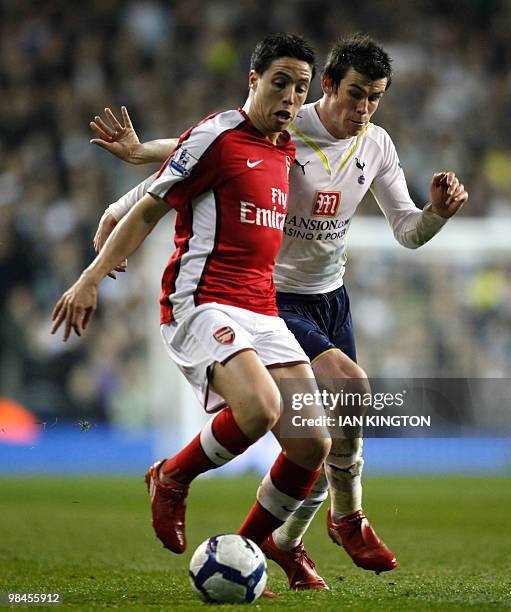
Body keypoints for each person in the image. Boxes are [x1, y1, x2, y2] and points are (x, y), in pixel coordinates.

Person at [89, 34, 469, 590]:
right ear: (329, 88)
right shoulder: (289, 125)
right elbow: (201, 152)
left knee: (325, 434)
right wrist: (118, 203)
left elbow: (408, 232)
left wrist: (436, 213)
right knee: (350, 385)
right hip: (273, 296)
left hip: (331, 297)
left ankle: (282, 542)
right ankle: (347, 517)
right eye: (355, 94)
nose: (363, 109)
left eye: (376, 98)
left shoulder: (377, 145)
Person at [52, 33, 333, 594]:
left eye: (300, 87)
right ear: (253, 80)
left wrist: (141, 151)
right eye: (280, 81)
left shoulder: (283, 144)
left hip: (262, 308)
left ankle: (254, 550)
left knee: (312, 444)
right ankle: (171, 478)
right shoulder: (219, 134)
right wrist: (90, 277)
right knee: (258, 408)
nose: (290, 96)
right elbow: (152, 207)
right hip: (201, 300)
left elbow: (174, 150)